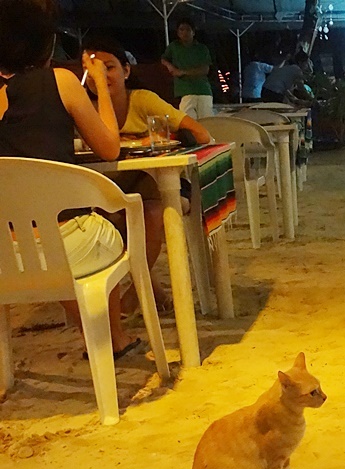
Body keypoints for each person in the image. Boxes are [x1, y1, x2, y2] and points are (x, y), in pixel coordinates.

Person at [0, 0, 140, 359]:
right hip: (61, 245)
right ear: (47, 45)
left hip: (6, 251)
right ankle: (113, 337)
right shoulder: (60, 82)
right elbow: (109, 147)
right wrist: (100, 87)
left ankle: (105, 338)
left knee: (49, 237)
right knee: (100, 227)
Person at [82, 36, 211, 317]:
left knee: (148, 215)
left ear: (126, 71)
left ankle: (132, 297)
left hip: (165, 188)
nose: (100, 76)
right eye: (93, 69)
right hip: (113, 193)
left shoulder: (141, 100)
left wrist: (159, 145)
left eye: (109, 67)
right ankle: (151, 292)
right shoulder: (83, 108)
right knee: (103, 220)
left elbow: (201, 134)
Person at [161, 18, 213, 120]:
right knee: (188, 123)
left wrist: (182, 72)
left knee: (207, 123)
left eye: (188, 30)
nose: (184, 32)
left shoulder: (202, 48)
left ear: (193, 32)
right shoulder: (174, 46)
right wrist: (170, 66)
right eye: (181, 29)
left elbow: (205, 70)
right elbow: (163, 59)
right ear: (178, 32)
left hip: (203, 90)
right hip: (185, 90)